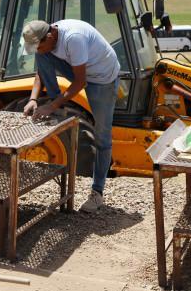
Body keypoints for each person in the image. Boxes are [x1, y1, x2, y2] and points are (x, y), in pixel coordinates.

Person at [21, 19, 120, 212]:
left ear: (49, 37)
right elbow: (41, 70)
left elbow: (81, 82)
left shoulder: (73, 39)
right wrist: (33, 99)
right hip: (82, 70)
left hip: (101, 79)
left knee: (102, 135)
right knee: (43, 57)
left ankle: (97, 192)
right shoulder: (47, 37)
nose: (38, 50)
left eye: (39, 46)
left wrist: (50, 106)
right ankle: (57, 106)